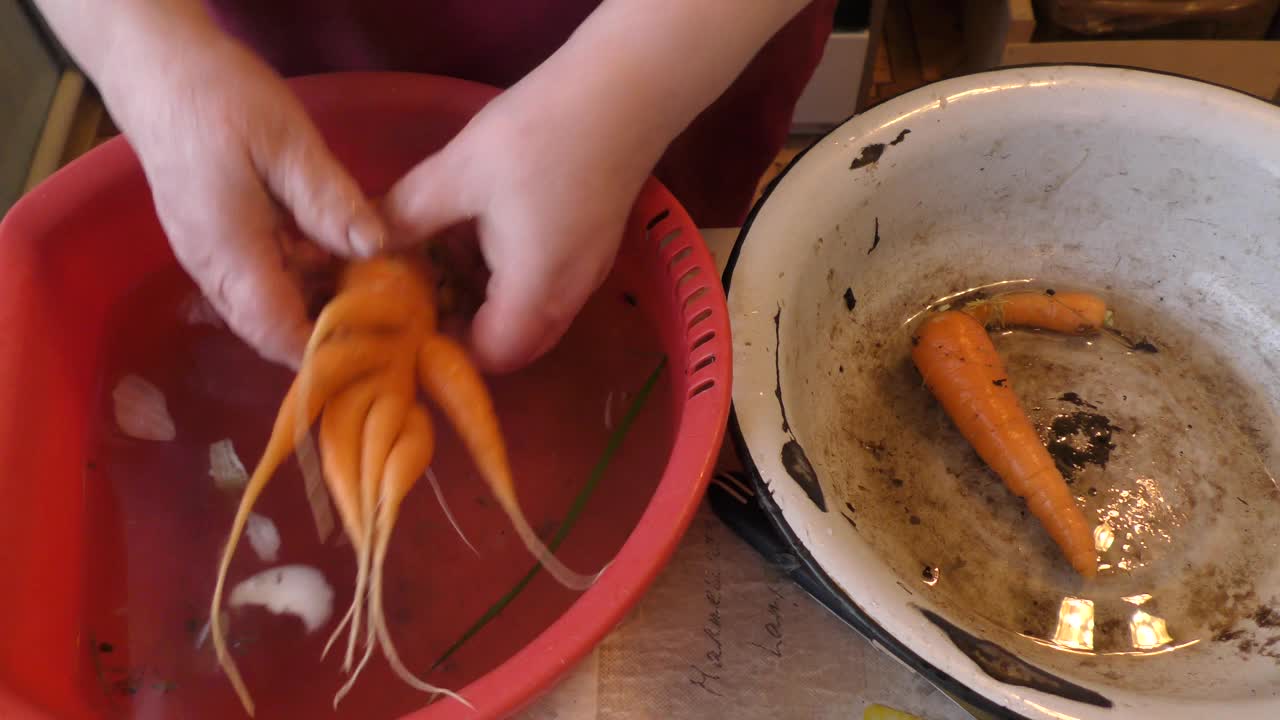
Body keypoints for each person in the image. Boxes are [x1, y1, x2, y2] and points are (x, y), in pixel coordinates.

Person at [32, 0, 835, 372]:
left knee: (650, 280)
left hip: (675, 44)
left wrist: (627, 92)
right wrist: (144, 55)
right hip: (280, 54)